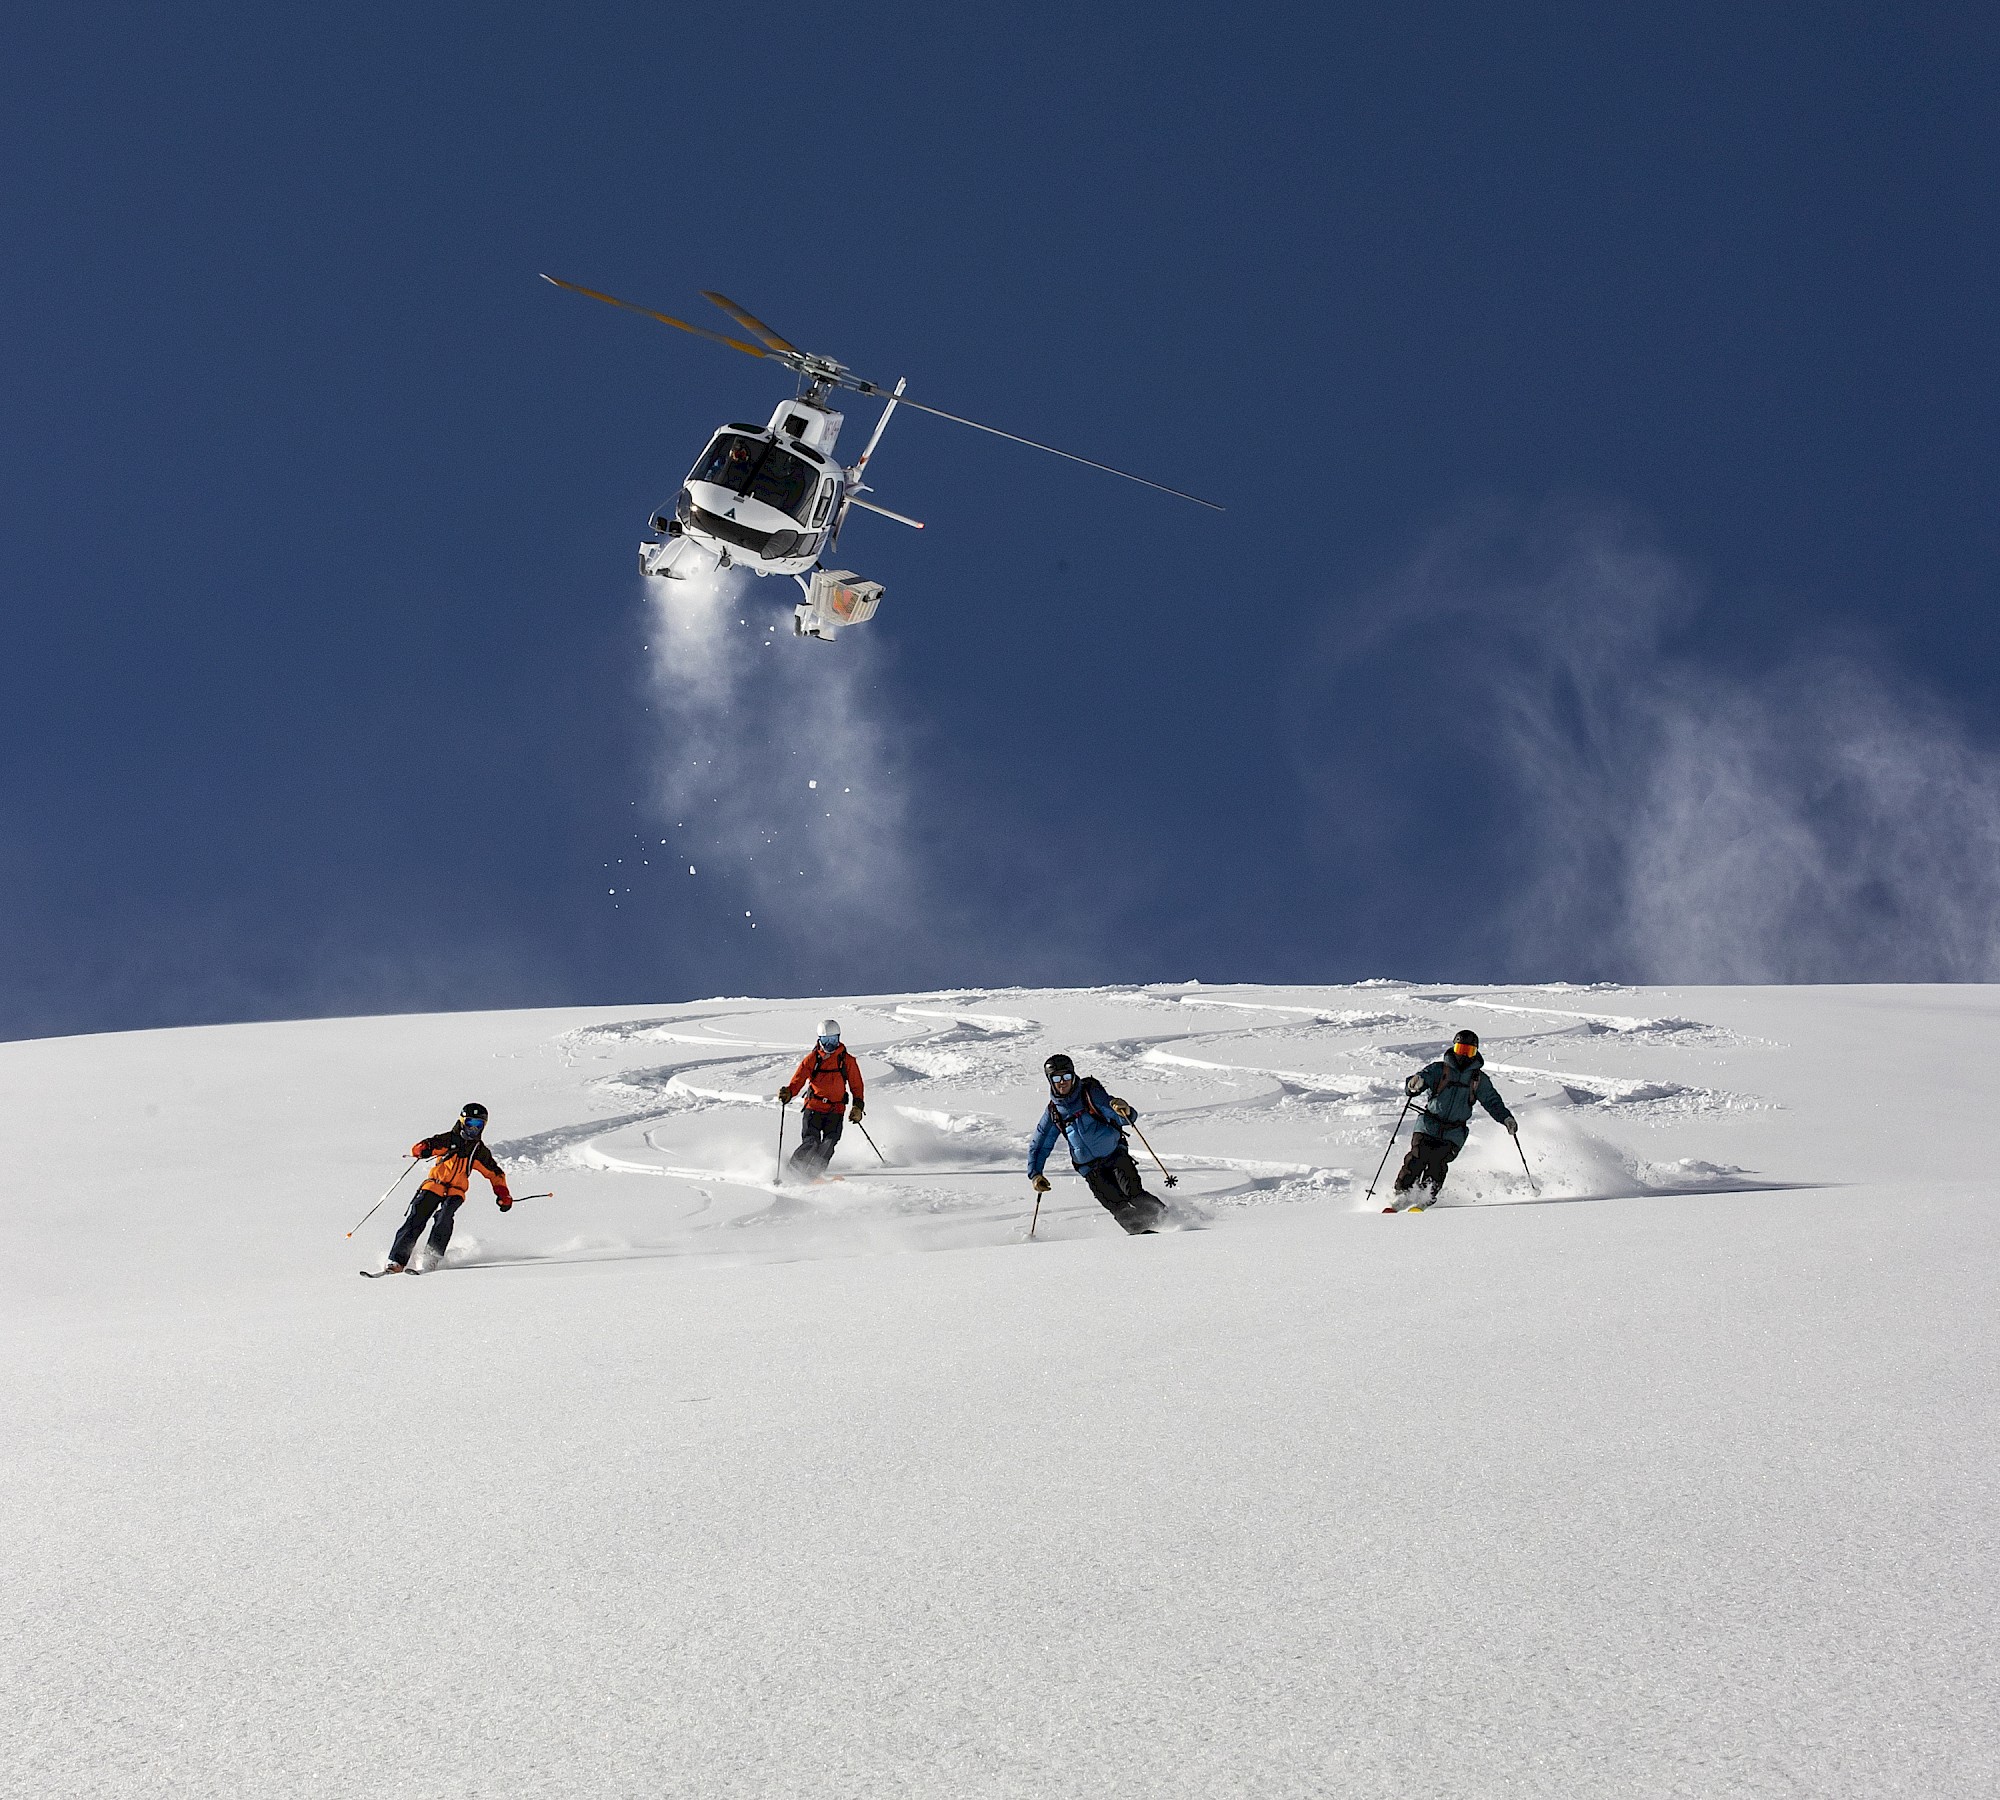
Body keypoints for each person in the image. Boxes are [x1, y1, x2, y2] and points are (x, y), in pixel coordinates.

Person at [1027, 1054, 1167, 1235]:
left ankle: (1170, 1220)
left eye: (1066, 1076)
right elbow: (1040, 1145)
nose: (1062, 1082)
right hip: (1089, 1168)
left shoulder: (1090, 1094)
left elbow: (1117, 1114)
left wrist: (1125, 1111)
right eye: (1056, 1078)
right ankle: (1142, 1235)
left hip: (1114, 1155)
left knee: (1133, 1192)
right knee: (1117, 1206)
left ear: (1073, 1075)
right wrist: (1036, 1174)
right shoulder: (1054, 1112)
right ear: (1050, 1080)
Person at [1388, 1030, 1517, 1210]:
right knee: (1417, 1156)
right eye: (1460, 1049)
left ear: (1475, 1052)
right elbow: (1421, 1079)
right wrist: (1414, 1084)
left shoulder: (1478, 1079)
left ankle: (1426, 1196)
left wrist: (1506, 1118)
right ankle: (1402, 1194)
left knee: (1438, 1162)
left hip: (1454, 1132)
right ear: (1454, 1048)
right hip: (1428, 1125)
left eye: (1468, 1051)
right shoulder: (1440, 1069)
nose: (1463, 1055)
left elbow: (1492, 1101)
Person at [383, 1102, 514, 1272]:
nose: (473, 1129)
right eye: (470, 1123)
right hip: (435, 1184)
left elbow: (495, 1174)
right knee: (417, 1216)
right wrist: (422, 1149)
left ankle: (431, 1257)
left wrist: (503, 1194)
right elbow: (425, 1146)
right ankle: (396, 1260)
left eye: (478, 1125)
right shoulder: (449, 1139)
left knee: (444, 1217)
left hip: (456, 1191)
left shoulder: (479, 1152)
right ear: (462, 1121)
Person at [777, 1020, 865, 1180]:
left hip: (836, 1110)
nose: (830, 1045)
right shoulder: (812, 1059)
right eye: (826, 1041)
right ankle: (792, 1170)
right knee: (811, 1141)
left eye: (833, 1040)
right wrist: (789, 1093)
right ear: (819, 1040)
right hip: (814, 1108)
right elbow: (798, 1080)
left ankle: (814, 1174)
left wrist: (857, 1106)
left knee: (829, 1142)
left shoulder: (847, 1061)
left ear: (839, 1038)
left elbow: (856, 1085)